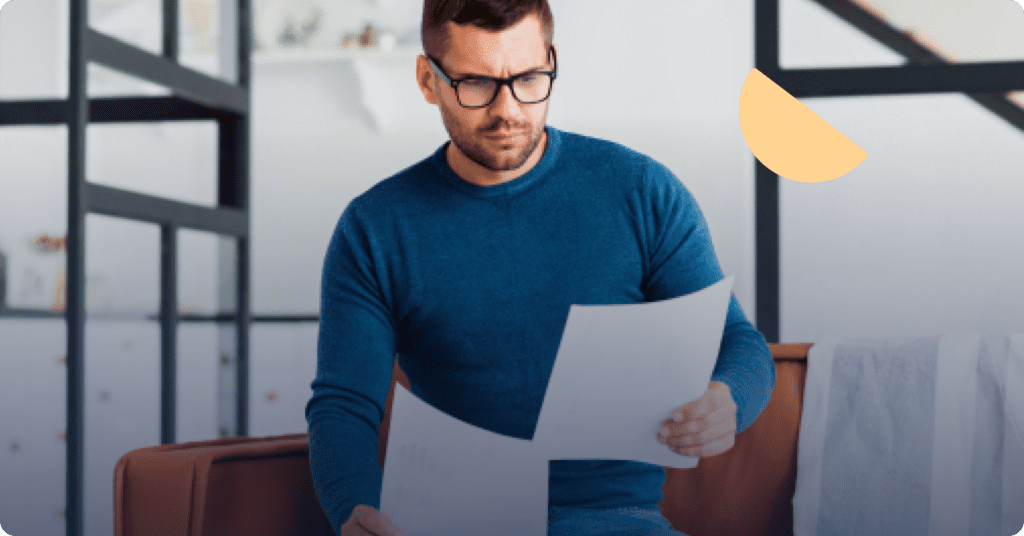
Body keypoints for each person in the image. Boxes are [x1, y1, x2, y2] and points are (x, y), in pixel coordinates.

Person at [305, 0, 776, 534]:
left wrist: (728, 399)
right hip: (460, 521)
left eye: (529, 78)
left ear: (552, 60)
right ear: (427, 79)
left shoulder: (643, 192)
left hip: (616, 521)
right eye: (477, 84)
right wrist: (352, 509)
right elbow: (345, 403)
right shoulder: (373, 228)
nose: (508, 109)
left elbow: (739, 343)